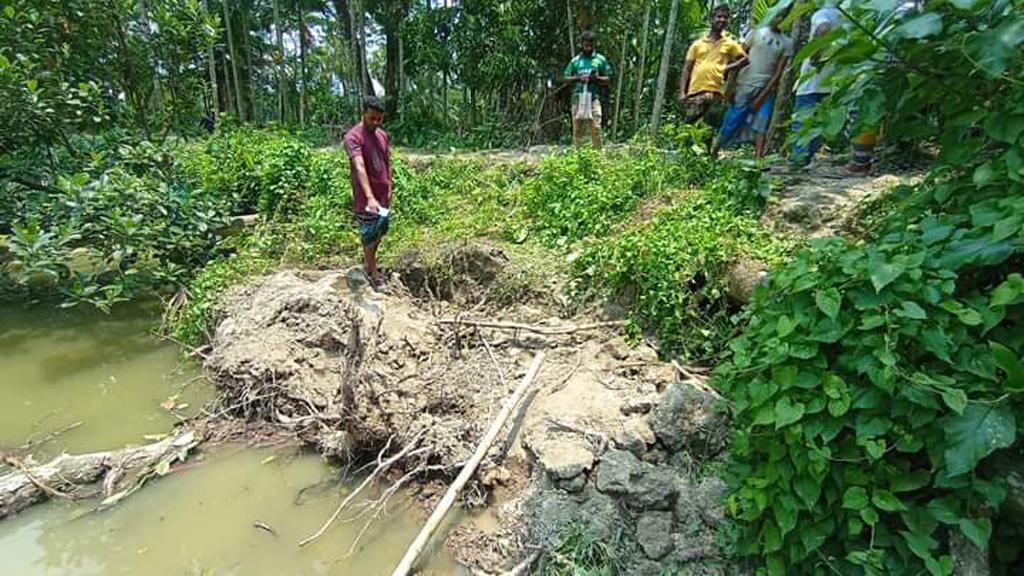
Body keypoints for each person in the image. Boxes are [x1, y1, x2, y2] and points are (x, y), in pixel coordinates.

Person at [715, 6, 793, 159]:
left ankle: (758, 160)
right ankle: (714, 150)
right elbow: (739, 57)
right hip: (744, 84)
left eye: (783, 17)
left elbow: (778, 72)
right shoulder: (756, 33)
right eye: (776, 15)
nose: (778, 19)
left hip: (766, 87)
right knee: (732, 120)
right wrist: (730, 86)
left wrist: (763, 95)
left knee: (761, 124)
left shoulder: (787, 42)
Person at [344, 96, 392, 291]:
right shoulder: (353, 137)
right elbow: (359, 166)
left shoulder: (382, 135)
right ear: (363, 113)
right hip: (366, 199)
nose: (375, 123)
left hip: (383, 196)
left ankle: (368, 264)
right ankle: (373, 273)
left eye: (379, 119)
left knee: (379, 232)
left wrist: (389, 186)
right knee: (369, 235)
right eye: (372, 118)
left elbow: (388, 161)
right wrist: (370, 197)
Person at [789, 4, 842, 169]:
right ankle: (806, 158)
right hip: (832, 81)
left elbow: (823, 28)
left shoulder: (822, 13)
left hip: (813, 80)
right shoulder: (844, 17)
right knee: (819, 124)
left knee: (801, 122)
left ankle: (798, 160)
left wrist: (814, 56)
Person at [678, 5, 745, 128]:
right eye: (719, 16)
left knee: (709, 131)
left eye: (725, 17)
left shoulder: (730, 44)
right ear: (712, 19)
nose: (722, 20)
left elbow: (745, 60)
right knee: (689, 129)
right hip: (695, 92)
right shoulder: (697, 45)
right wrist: (682, 92)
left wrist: (727, 68)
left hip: (715, 94)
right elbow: (687, 69)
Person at [563, 30, 613, 149]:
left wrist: (596, 78)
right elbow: (565, 78)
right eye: (586, 44)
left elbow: (608, 78)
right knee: (577, 129)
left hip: (594, 98)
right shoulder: (575, 61)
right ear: (582, 44)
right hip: (578, 98)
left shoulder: (600, 59)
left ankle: (597, 157)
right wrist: (578, 78)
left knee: (595, 127)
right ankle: (579, 156)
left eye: (591, 44)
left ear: (594, 44)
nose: (588, 46)